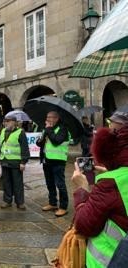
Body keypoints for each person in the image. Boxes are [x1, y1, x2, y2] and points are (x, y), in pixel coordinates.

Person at [71, 110, 128, 267]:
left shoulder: (111, 182)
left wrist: (82, 189)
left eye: (113, 129)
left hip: (110, 260)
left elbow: (84, 225)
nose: (109, 132)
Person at [36, 111, 70, 217]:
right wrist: (42, 137)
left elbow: (56, 141)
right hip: (47, 160)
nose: (48, 119)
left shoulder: (63, 128)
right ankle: (53, 203)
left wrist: (48, 130)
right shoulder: (46, 128)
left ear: (56, 118)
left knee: (60, 184)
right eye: (47, 117)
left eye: (50, 117)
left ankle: (63, 207)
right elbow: (39, 143)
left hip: (58, 161)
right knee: (49, 183)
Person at [0, 113, 30, 209]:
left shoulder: (20, 132)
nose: (6, 123)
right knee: (6, 182)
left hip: (16, 162)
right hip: (4, 160)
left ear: (14, 122)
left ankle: (20, 202)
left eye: (8, 121)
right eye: (5, 121)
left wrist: (23, 162)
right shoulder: (2, 131)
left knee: (17, 183)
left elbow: (25, 148)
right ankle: (7, 200)